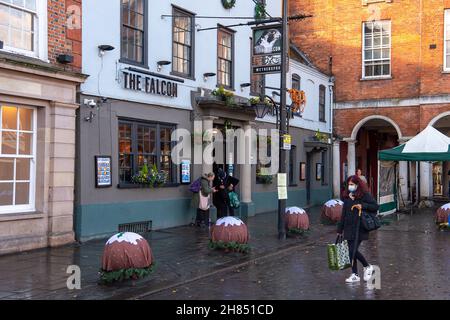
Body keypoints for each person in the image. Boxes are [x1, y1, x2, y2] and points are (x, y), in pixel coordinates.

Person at [337, 175, 379, 284]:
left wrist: (362, 205)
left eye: (352, 184)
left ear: (357, 185)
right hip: (348, 227)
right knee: (351, 252)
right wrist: (339, 229)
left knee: (352, 251)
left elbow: (375, 206)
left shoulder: (364, 195)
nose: (350, 186)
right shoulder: (346, 197)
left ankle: (367, 266)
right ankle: (355, 274)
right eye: (349, 184)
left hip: (360, 227)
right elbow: (344, 214)